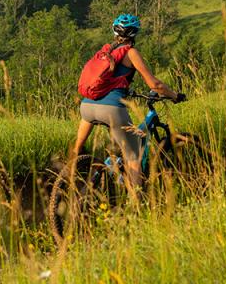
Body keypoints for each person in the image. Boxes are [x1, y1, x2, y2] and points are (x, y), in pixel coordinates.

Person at [74, 13, 184, 192]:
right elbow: (155, 85)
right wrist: (174, 95)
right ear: (134, 34)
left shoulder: (106, 50)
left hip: (87, 105)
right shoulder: (131, 53)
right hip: (111, 110)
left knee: (78, 146)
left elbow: (106, 79)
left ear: (114, 31)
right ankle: (137, 208)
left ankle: (67, 181)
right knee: (134, 157)